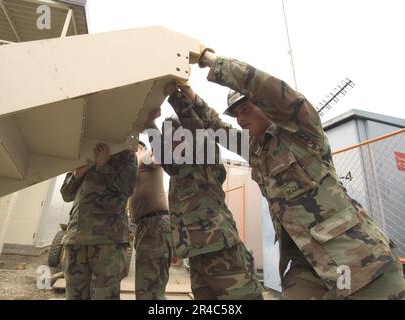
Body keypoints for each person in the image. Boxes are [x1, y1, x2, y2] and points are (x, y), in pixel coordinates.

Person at [167, 48, 405, 300]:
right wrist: (185, 94)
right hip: (304, 264)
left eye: (245, 108)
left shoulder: (302, 132)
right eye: (235, 113)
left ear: (264, 105)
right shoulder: (255, 148)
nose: (239, 118)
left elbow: (274, 92)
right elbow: (216, 126)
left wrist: (212, 61)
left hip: (359, 260)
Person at [145, 100, 264, 300]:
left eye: (177, 136)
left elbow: (197, 129)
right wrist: (149, 124)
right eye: (168, 138)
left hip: (221, 249)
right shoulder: (177, 171)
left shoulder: (205, 159)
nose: (172, 142)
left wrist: (175, 95)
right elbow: (163, 155)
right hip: (195, 253)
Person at [60, 143, 137, 300]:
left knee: (104, 296)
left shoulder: (126, 154)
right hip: (76, 237)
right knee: (74, 295)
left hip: (108, 240)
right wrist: (77, 174)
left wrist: (104, 165)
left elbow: (127, 188)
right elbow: (66, 195)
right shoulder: (82, 154)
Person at [128, 140, 173, 300]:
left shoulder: (146, 158)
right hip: (146, 225)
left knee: (150, 288)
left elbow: (158, 153)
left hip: (155, 223)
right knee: (147, 288)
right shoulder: (132, 172)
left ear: (138, 148)